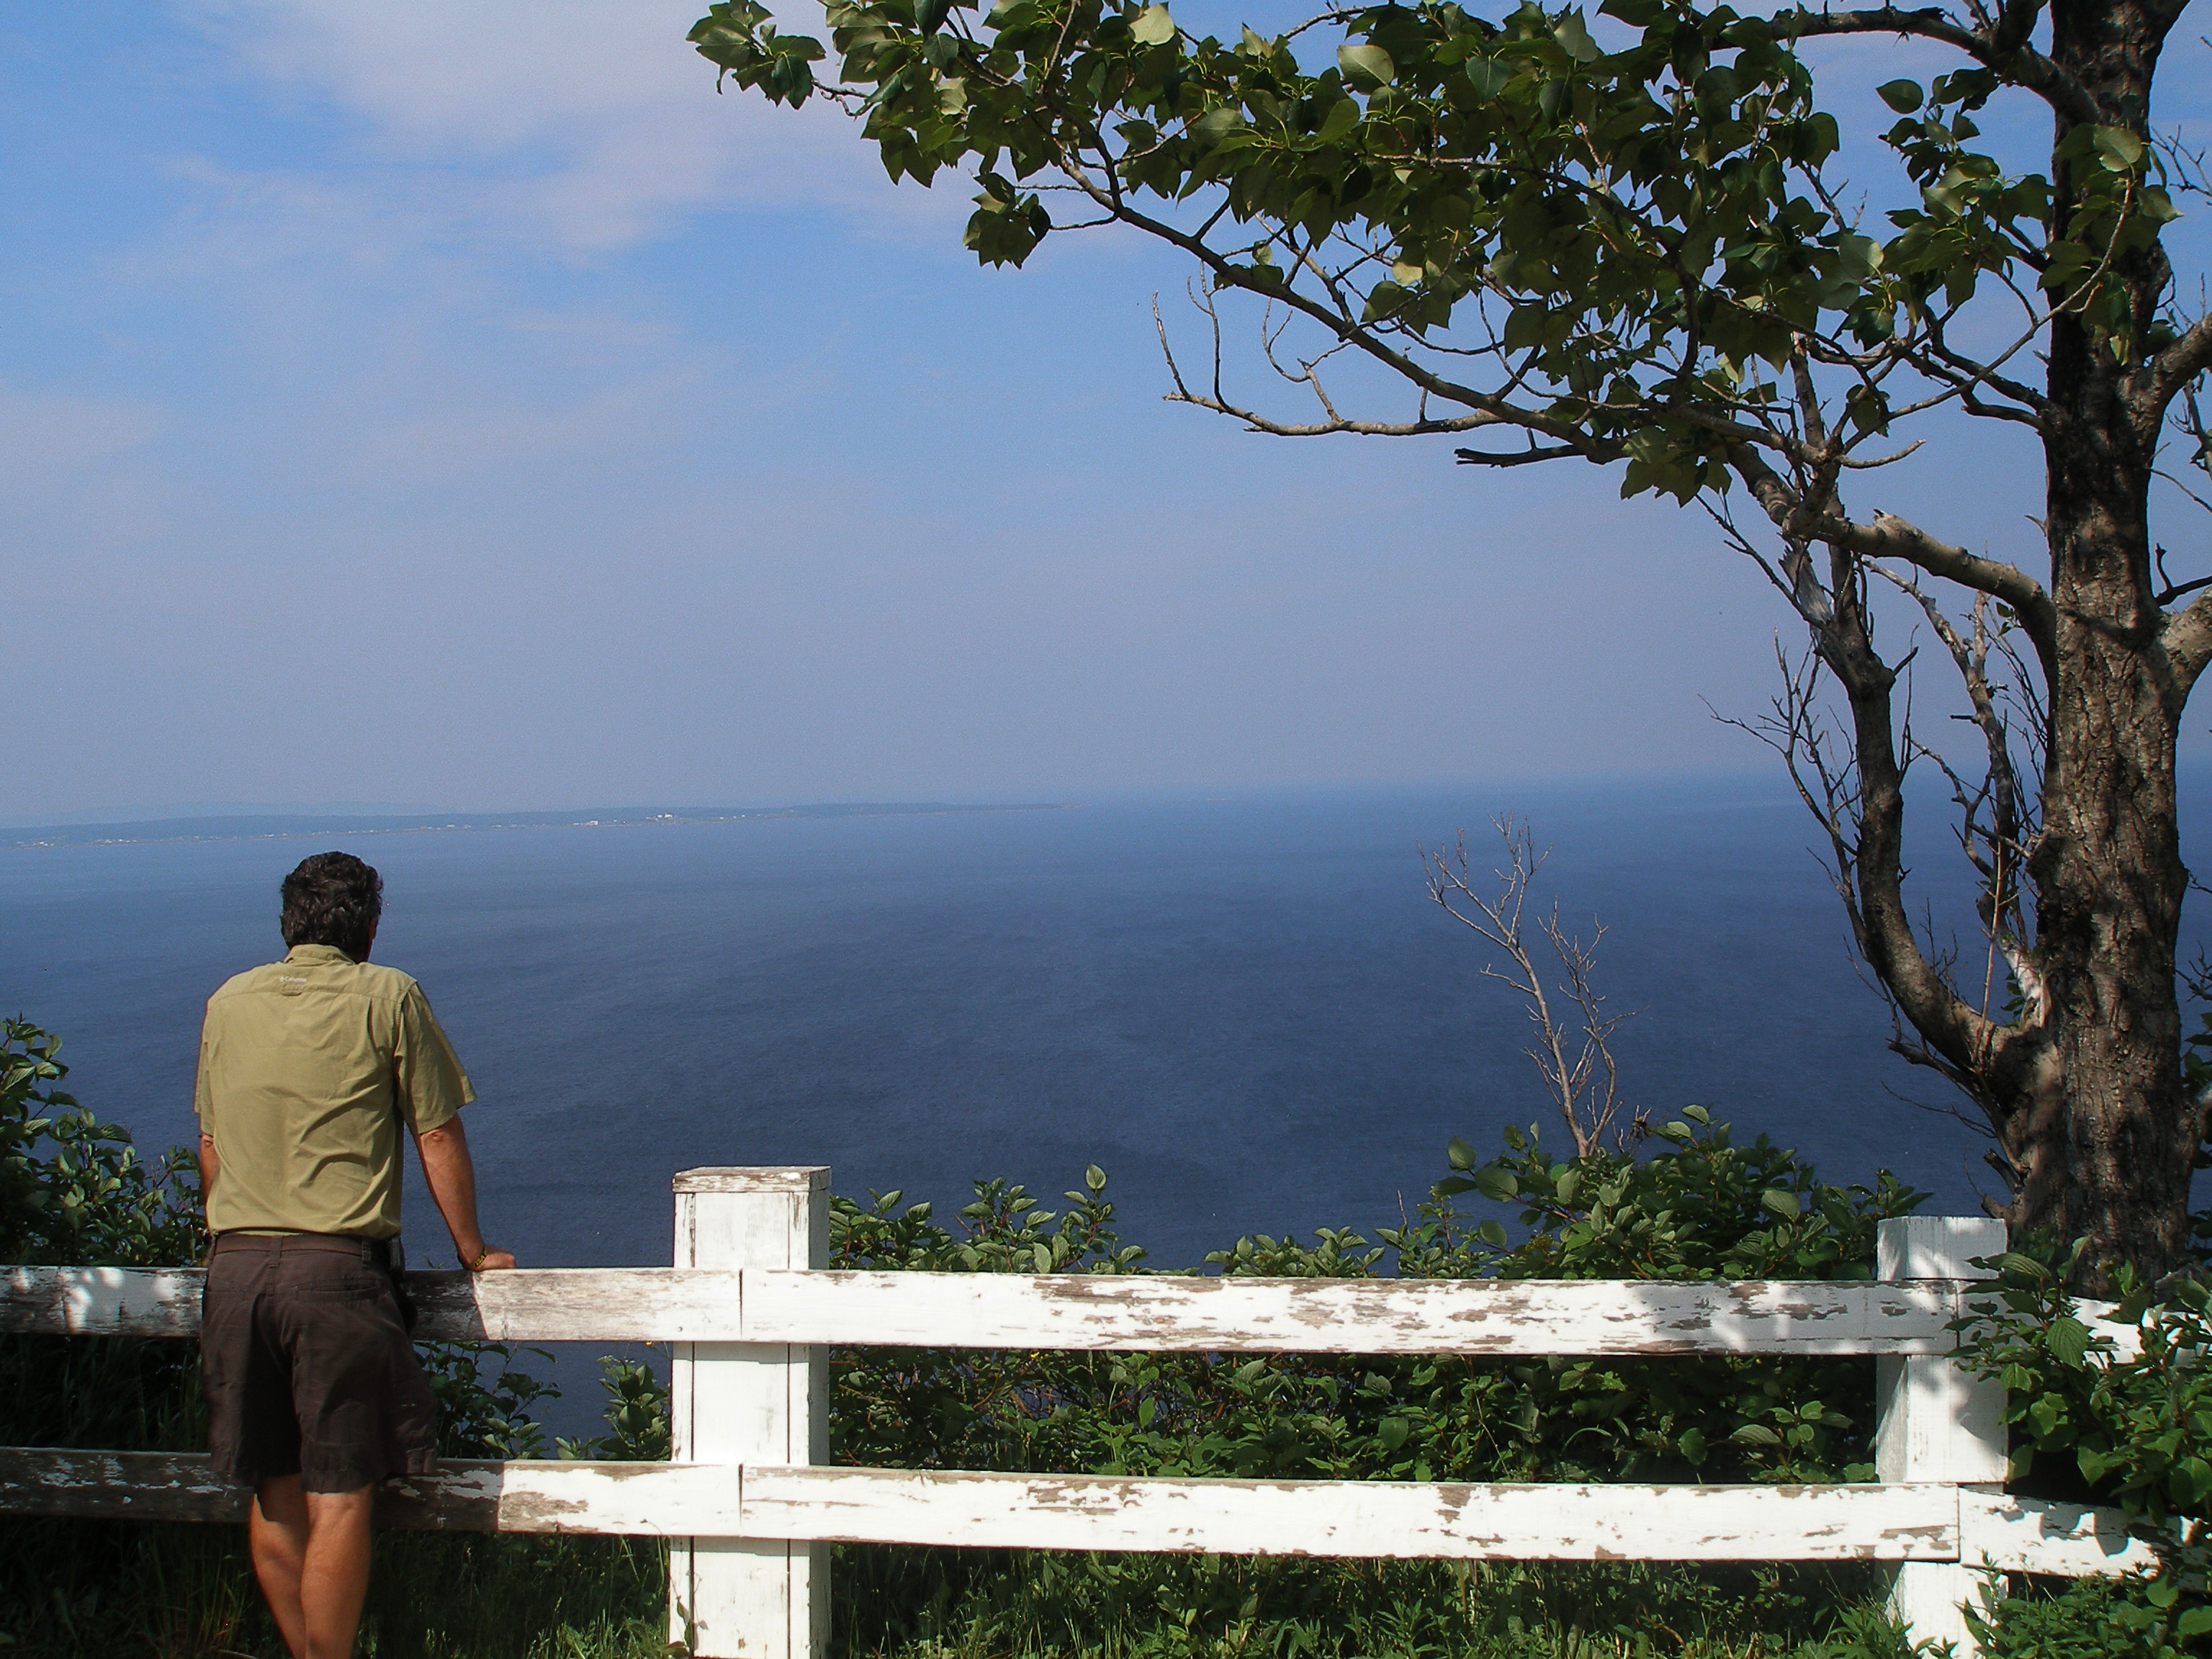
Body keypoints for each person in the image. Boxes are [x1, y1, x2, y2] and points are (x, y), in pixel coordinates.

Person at [195, 850, 515, 1659]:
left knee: (274, 1490)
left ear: (288, 923)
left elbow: (211, 1144)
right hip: (333, 1276)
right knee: (339, 1494)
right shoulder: (388, 995)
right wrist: (473, 1250)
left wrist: (227, 1235)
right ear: (370, 927)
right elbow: (435, 1130)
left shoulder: (228, 1001)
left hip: (235, 1271)